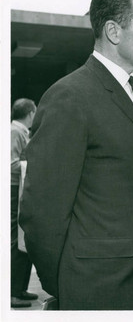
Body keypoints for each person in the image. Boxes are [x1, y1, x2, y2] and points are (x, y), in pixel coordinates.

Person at [19, 0, 133, 310]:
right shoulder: (70, 97)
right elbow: (41, 214)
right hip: (100, 292)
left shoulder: (131, 89)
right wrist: (67, 285)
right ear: (113, 31)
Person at [10, 98, 37, 308]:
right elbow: (10, 164)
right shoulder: (14, 132)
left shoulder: (21, 132)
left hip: (20, 189)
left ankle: (19, 288)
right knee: (16, 240)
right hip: (12, 191)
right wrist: (36, 164)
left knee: (23, 237)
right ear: (30, 113)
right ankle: (12, 292)